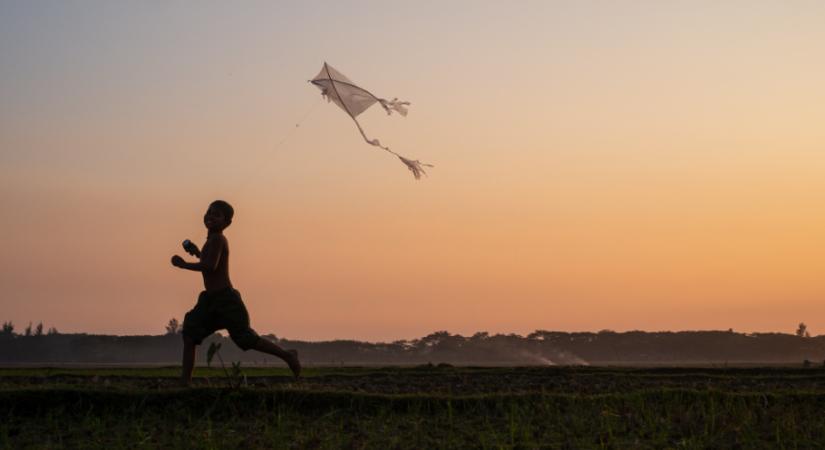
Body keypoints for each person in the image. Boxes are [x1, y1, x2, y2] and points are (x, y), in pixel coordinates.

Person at [171, 200, 301, 385]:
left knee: (246, 338)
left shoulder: (218, 239)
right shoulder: (212, 240)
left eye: (216, 215)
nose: (210, 216)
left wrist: (183, 265)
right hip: (210, 301)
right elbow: (210, 262)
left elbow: (210, 266)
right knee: (190, 333)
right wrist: (197, 252)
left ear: (227, 223)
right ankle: (185, 382)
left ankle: (287, 355)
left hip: (226, 301)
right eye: (209, 212)